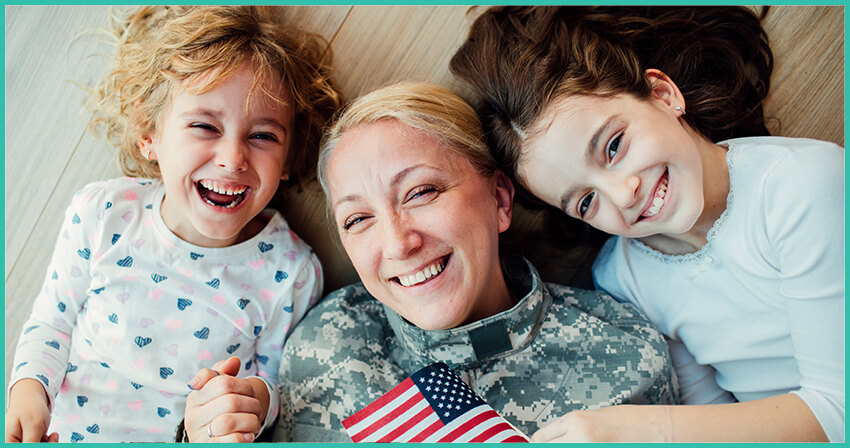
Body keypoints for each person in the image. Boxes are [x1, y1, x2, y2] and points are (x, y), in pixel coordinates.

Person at [449, 6, 844, 442]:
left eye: (614, 146)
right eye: (585, 201)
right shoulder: (623, 277)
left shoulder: (801, 184)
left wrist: (645, 429)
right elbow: (713, 418)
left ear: (662, 94)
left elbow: (839, 411)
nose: (624, 194)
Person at [240, 81, 675, 441]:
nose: (397, 244)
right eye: (358, 219)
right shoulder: (325, 345)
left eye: (422, 192)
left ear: (500, 199)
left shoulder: (625, 355)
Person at [5, 6, 339, 443]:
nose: (233, 158)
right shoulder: (104, 213)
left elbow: (276, 385)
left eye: (262, 136)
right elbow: (52, 322)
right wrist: (29, 391)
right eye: (204, 126)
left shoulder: (290, 271)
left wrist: (251, 400)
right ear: (150, 132)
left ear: (287, 160)